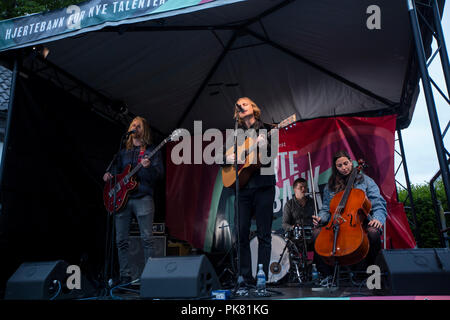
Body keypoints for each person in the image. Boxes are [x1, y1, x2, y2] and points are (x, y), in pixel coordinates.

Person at [103, 116, 164, 285]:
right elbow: (116, 174)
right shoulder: (122, 152)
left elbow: (159, 175)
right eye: (133, 125)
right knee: (120, 239)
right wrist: (110, 175)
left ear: (143, 129)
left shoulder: (152, 151)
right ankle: (125, 276)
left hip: (143, 197)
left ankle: (150, 276)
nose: (135, 127)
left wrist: (148, 167)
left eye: (138, 126)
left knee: (147, 239)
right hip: (123, 200)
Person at [224, 97, 276, 286]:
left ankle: (261, 278)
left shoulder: (267, 128)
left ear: (253, 108)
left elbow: (271, 157)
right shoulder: (235, 134)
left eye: (244, 103)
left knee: (264, 234)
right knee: (241, 233)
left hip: (263, 186)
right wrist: (228, 157)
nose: (241, 106)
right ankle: (245, 277)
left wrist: (263, 144)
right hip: (242, 188)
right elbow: (221, 157)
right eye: (238, 105)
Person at [313, 150, 387, 274]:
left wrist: (378, 219)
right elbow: (326, 209)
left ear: (351, 163)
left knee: (373, 232)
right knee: (316, 233)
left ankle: (373, 272)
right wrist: (320, 218)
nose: (344, 168)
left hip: (360, 222)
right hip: (337, 223)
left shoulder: (366, 181)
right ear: (335, 168)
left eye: (346, 163)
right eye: (340, 166)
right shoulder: (330, 186)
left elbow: (378, 204)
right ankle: (326, 274)